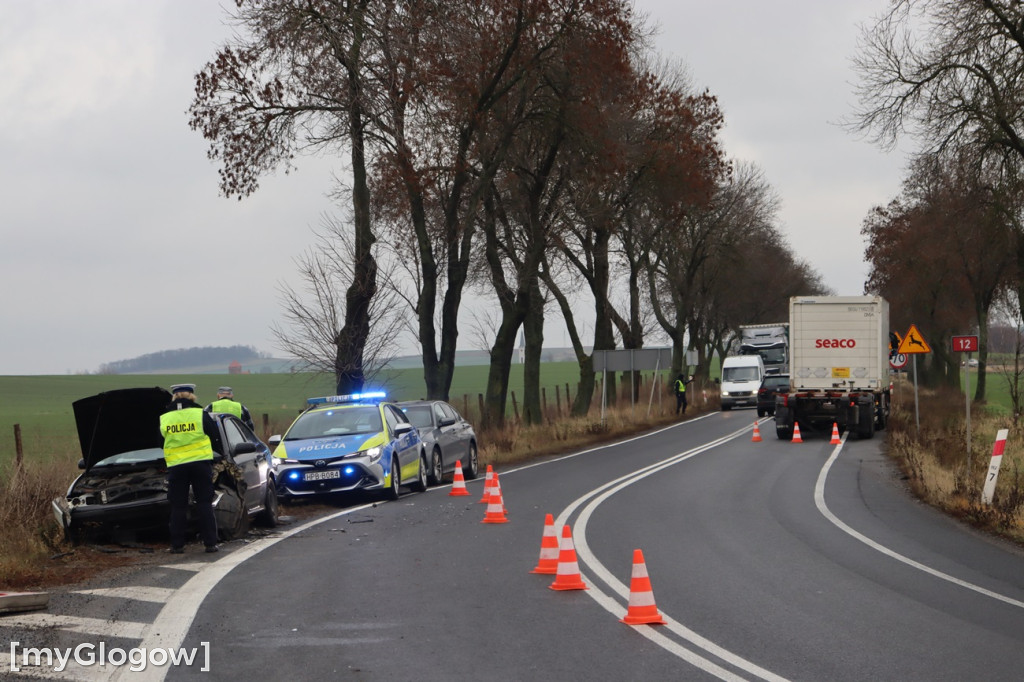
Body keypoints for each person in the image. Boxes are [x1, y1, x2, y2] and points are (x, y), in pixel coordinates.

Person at [161, 383, 221, 554]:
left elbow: (160, 441)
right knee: (204, 502)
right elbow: (214, 435)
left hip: (176, 466)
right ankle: (210, 543)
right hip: (200, 464)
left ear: (174, 397)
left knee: (178, 505)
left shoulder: (165, 417)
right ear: (192, 396)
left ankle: (177, 545)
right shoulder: (200, 414)